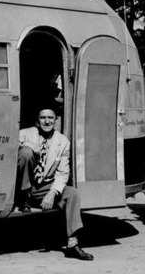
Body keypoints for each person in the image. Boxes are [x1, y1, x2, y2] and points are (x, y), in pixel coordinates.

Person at [15, 107, 94, 261]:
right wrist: (30, 149)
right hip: (24, 186)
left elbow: (63, 173)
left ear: (56, 120)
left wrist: (52, 193)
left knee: (72, 193)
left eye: (50, 118)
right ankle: (23, 199)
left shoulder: (62, 141)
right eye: (43, 118)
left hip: (43, 187)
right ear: (37, 121)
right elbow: (7, 148)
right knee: (25, 152)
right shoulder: (25, 133)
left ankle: (72, 244)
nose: (47, 121)